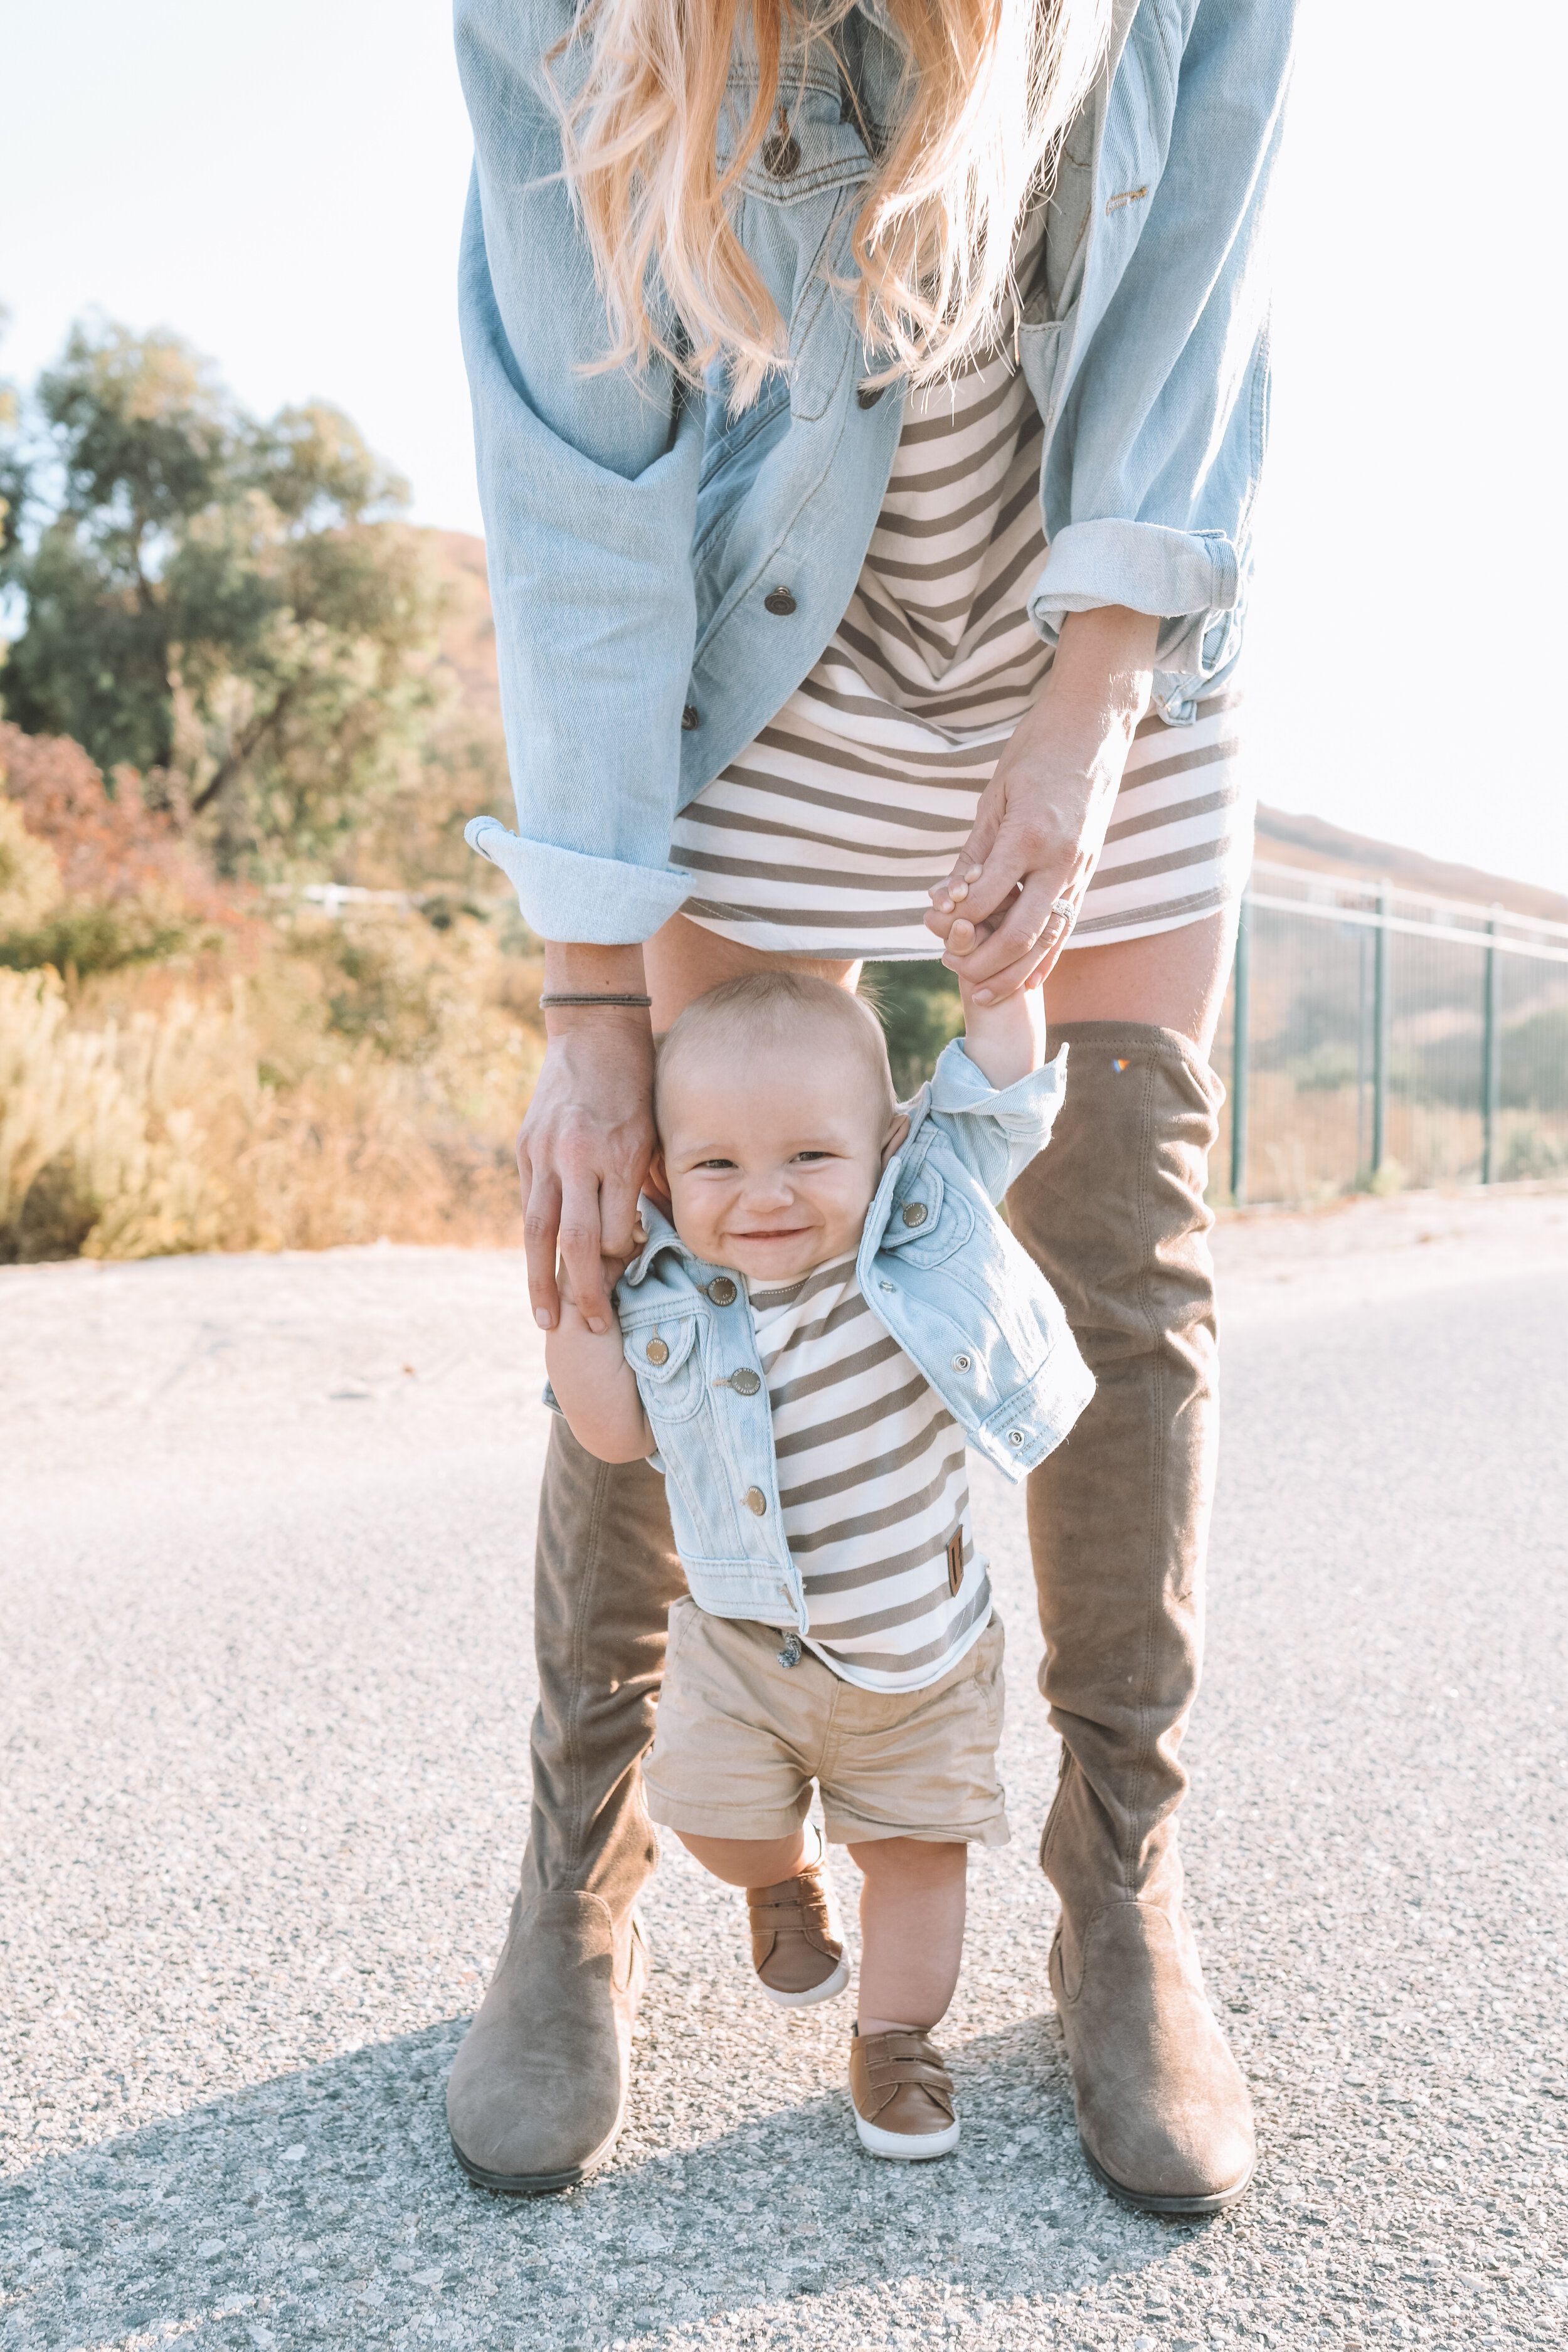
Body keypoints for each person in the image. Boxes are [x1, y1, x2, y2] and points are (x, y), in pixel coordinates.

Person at [445, 0, 1297, 2212]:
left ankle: (1122, 1888)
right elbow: (569, 461)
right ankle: (583, 1860)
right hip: (758, 637)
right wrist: (580, 991)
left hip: (1100, 608)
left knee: (1118, 1241)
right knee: (672, 1222)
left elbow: (1202, 254)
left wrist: (1097, 694)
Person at [541, 967, 1090, 2159]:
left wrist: (1002, 991)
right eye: (718, 1166)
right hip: (747, 1647)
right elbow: (614, 1430)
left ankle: (896, 2039)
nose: (765, 1196)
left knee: (916, 1864)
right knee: (710, 1824)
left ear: (886, 1146)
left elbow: (999, 1096)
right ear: (661, 1176)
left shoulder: (922, 1216)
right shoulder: (668, 1296)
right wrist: (574, 1298)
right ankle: (781, 1879)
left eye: (809, 1157)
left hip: (919, 1660)